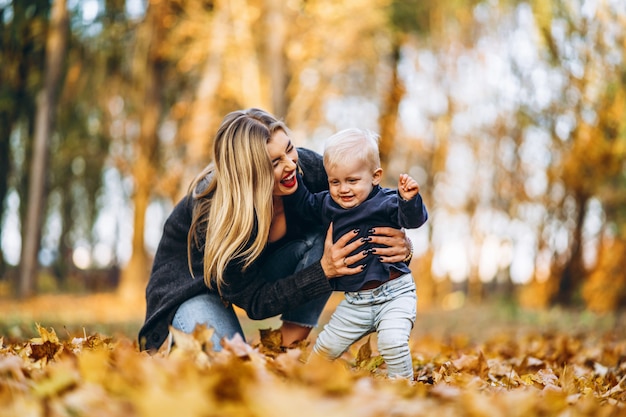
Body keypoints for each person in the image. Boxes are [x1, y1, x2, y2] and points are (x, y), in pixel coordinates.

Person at [138, 109, 414, 353]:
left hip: (253, 274)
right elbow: (255, 301)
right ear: (249, 173)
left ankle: (286, 348)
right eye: (274, 163)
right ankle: (181, 341)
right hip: (194, 288)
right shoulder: (213, 211)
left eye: (289, 148)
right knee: (232, 366)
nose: (291, 165)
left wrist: (404, 246)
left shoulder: (309, 171)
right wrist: (323, 271)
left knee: (324, 235)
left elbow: (372, 204)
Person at [284, 128, 428, 379]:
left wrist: (409, 200)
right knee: (325, 347)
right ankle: (306, 385)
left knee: (392, 342)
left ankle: (403, 390)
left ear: (375, 176)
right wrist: (290, 172)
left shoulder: (387, 201)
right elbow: (303, 203)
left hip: (395, 294)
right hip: (356, 303)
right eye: (335, 181)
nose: (343, 189)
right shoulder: (327, 203)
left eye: (352, 180)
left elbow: (413, 220)